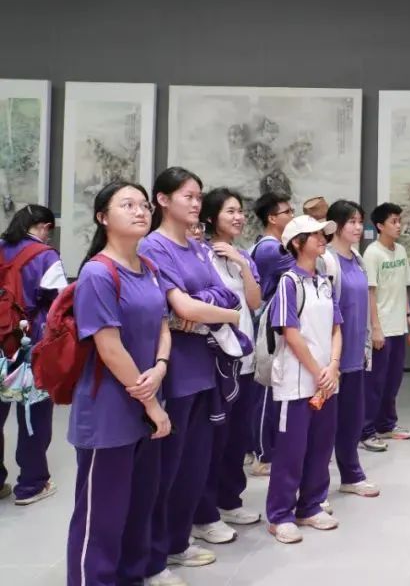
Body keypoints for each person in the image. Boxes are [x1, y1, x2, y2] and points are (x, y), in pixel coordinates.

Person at [66, 181, 172, 586]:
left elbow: (163, 324)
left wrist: (160, 366)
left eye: (144, 205)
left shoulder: (150, 268)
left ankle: (131, 578)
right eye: (127, 204)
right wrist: (152, 403)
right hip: (109, 411)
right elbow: (109, 348)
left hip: (147, 402)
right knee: (102, 516)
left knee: (138, 507)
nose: (140, 211)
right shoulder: (98, 273)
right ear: (102, 217)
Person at [139, 168, 241, 584]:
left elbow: (226, 296)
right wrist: (215, 311)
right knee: (166, 468)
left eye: (199, 196)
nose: (197, 203)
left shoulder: (198, 247)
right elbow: (182, 309)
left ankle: (178, 542)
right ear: (163, 200)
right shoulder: (154, 246)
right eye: (188, 196)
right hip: (174, 368)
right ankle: (154, 557)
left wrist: (207, 306)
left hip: (204, 363)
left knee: (194, 464)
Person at [265, 215, 342, 544]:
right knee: (291, 452)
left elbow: (337, 327)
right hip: (297, 383)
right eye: (315, 235)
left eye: (323, 234)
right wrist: (316, 370)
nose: (322, 239)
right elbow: (291, 333)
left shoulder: (324, 282)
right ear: (297, 243)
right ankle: (280, 515)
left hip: (326, 381)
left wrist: (333, 366)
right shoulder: (289, 282)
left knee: (321, 447)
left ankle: (310, 506)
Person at [195, 188, 263, 535]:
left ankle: (229, 500)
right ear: (210, 217)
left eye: (240, 211)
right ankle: (204, 513)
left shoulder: (243, 255)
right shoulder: (200, 255)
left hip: (245, 360)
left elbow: (254, 302)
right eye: (230, 212)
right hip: (216, 361)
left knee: (238, 437)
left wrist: (242, 264)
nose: (238, 217)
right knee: (213, 440)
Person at [0, 204, 67, 506]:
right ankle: (32, 484)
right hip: (31, 345)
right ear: (44, 226)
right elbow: (61, 305)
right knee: (33, 413)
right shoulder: (45, 256)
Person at [324, 200, 379, 498]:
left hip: (356, 354)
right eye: (352, 222)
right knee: (324, 426)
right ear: (335, 225)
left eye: (360, 221)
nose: (358, 227)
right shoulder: (326, 260)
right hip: (332, 359)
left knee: (352, 420)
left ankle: (351, 475)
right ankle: (314, 489)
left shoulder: (357, 259)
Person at [361, 203, 410, 452]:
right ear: (380, 226)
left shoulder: (401, 251)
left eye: (399, 221)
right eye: (393, 221)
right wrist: (376, 328)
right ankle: (366, 431)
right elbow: (370, 293)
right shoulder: (372, 254)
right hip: (381, 329)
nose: (399, 226)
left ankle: (386, 425)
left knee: (392, 381)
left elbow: (402, 288)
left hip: (398, 328)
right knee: (374, 383)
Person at [249, 192, 295, 477]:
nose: (292, 216)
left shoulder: (273, 246)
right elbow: (307, 265)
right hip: (268, 323)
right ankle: (263, 455)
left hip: (276, 321)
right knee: (266, 387)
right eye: (287, 212)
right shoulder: (271, 249)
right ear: (272, 218)